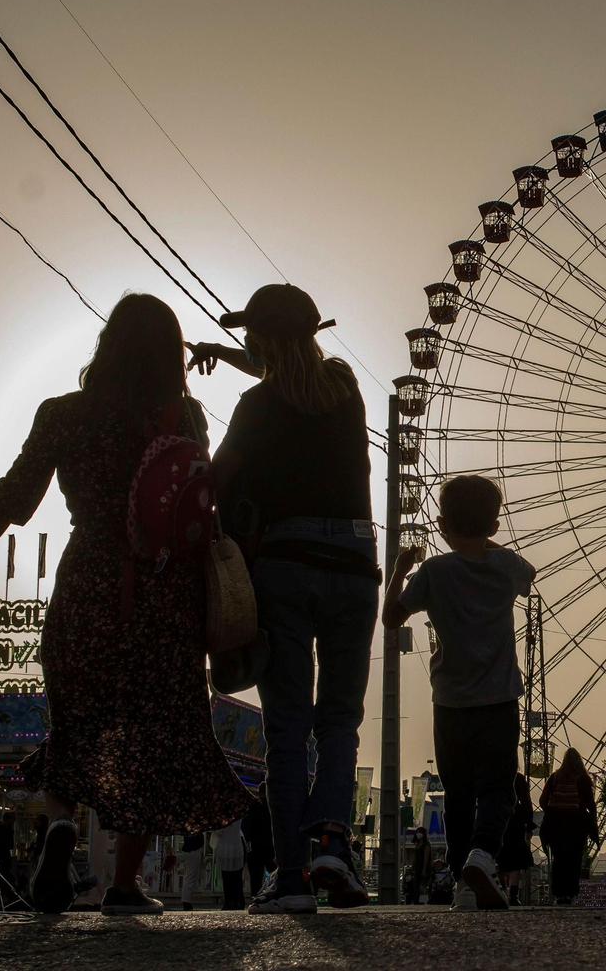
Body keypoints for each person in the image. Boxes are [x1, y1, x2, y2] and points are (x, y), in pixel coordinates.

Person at [0, 295, 250, 916]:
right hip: (165, 594)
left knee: (77, 722)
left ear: (105, 345)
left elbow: (12, 498)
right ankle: (126, 887)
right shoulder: (182, 414)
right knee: (158, 734)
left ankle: (59, 825)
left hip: (88, 585)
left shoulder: (62, 414)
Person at [202, 285, 376, 915]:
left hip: (286, 563)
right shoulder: (344, 388)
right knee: (339, 718)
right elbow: (293, 376)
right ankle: (333, 840)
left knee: (287, 725)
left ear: (261, 340)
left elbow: (216, 478)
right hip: (356, 565)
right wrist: (229, 353)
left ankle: (294, 877)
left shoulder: (256, 405)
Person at [384, 475, 535, 912]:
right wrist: (493, 552)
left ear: (443, 524)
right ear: (494, 526)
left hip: (450, 702)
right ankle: (482, 856)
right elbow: (531, 575)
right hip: (499, 699)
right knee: (498, 789)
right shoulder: (506, 564)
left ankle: (463, 884)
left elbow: (392, 618)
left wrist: (399, 570)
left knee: (459, 792)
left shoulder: (434, 571)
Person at [539, 748, 600, 905]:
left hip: (556, 827)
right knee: (574, 861)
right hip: (577, 827)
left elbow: (542, 800)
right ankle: (570, 893)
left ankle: (559, 894)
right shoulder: (583, 780)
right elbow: (591, 805)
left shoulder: (555, 777)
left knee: (559, 860)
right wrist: (592, 823)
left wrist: (551, 812)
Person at [497, 772, 536, 905]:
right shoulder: (518, 778)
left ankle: (500, 891)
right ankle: (513, 895)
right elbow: (526, 801)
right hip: (515, 820)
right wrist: (529, 824)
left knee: (499, 858)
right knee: (515, 860)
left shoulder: (495, 775)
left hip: (498, 818)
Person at [242, 795, 274, 901]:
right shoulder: (271, 807)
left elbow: (245, 825)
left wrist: (248, 840)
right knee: (273, 870)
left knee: (255, 874)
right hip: (269, 844)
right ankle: (273, 893)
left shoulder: (253, 807)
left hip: (255, 846)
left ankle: (255, 896)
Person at [211, 819, 247, 910]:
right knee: (237, 877)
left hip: (224, 847)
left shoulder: (223, 817)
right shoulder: (239, 816)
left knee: (227, 877)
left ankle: (229, 901)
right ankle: (238, 900)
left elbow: (219, 832)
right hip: (237, 846)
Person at [179, 832, 207, 911]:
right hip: (193, 849)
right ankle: (186, 901)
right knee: (191, 877)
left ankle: (186, 900)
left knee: (190, 876)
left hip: (190, 849)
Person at [405, 827, 432, 905]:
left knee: (422, 884)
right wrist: (413, 867)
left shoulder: (426, 844)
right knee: (415, 884)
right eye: (417, 832)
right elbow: (415, 858)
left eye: (420, 832)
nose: (418, 834)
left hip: (424, 867)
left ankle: (424, 900)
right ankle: (416, 900)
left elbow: (426, 858)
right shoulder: (417, 844)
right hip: (417, 868)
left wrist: (424, 869)